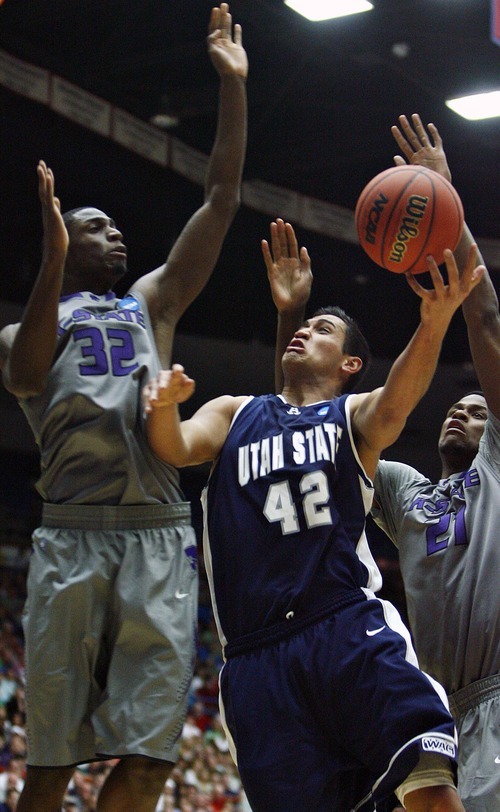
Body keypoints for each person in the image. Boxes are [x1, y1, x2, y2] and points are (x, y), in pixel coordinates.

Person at [142, 223, 484, 810]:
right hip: (256, 656)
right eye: (300, 326)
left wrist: (434, 323)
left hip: (346, 627)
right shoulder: (232, 413)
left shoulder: (350, 418)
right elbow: (174, 447)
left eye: (320, 328)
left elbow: (399, 399)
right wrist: (162, 409)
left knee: (428, 776)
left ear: (351, 363)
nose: (302, 330)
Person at [0, 4, 247, 811]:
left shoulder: (152, 303)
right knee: (49, 763)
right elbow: (29, 374)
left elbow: (217, 199)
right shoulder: (22, 327)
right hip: (71, 535)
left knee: (148, 759)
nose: (117, 235)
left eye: (115, 228)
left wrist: (234, 91)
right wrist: (52, 258)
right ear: (65, 240)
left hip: (154, 531)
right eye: (95, 226)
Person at [370, 115, 500, 812]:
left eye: (479, 409)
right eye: (457, 407)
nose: (462, 411)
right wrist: (289, 317)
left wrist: (449, 209)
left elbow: (486, 326)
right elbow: (326, 443)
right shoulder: (404, 492)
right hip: (432, 720)